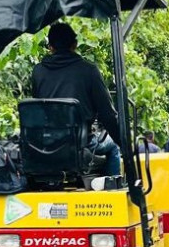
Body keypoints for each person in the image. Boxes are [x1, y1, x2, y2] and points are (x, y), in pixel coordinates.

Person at [31, 23, 121, 176]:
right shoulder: (89, 70)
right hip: (80, 143)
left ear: (50, 46)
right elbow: (108, 116)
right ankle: (112, 184)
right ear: (75, 44)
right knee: (113, 147)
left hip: (46, 144)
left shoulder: (38, 71)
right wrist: (124, 142)